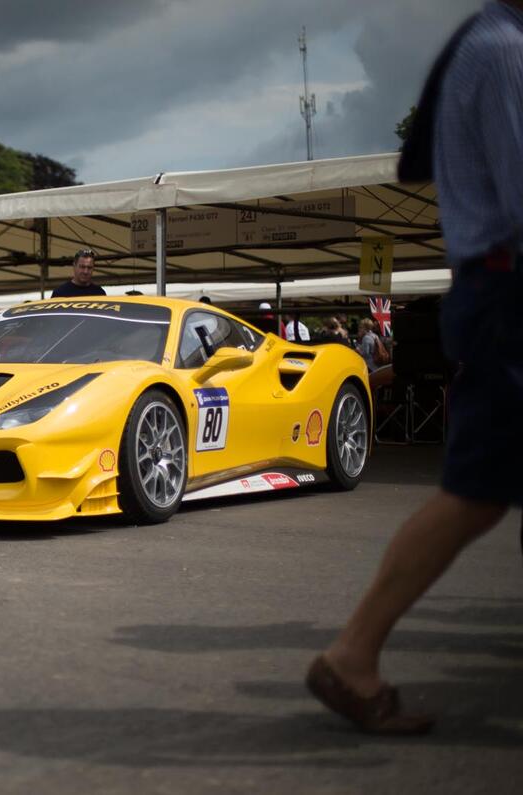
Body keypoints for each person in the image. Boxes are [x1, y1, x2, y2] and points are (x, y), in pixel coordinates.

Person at [307, 1, 523, 735]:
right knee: (474, 492)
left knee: (480, 491)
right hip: (507, 288)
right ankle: (352, 651)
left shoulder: (489, 45)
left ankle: (353, 652)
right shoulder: (502, 52)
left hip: (495, 288)